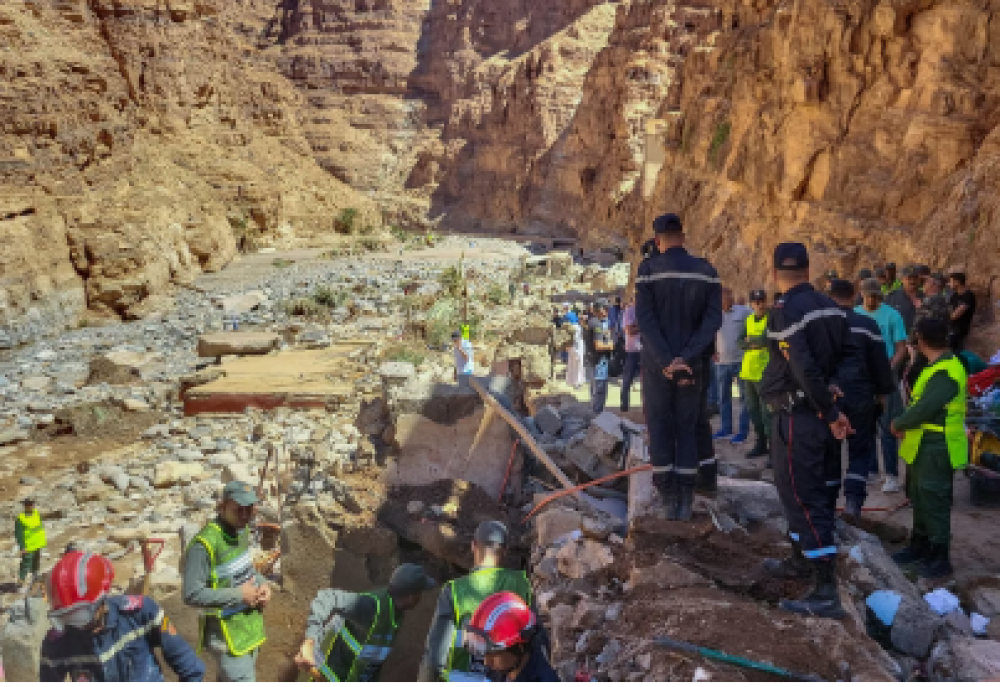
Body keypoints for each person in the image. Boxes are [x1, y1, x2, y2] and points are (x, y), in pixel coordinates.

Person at [759, 242, 851, 619]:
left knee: (802, 495)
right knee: (807, 493)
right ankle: (801, 560)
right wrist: (834, 402)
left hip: (799, 417)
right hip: (818, 415)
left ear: (775, 270)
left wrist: (829, 410)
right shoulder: (831, 306)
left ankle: (826, 590)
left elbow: (802, 365)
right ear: (808, 270)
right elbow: (846, 357)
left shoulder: (785, 311)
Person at [636, 213, 721, 521]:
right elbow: (712, 321)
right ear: (683, 237)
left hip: (658, 366)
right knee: (687, 425)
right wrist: (686, 357)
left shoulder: (647, 271)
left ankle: (667, 496)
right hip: (693, 365)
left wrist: (666, 359)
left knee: (660, 424)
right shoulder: (707, 273)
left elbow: (645, 320)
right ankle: (686, 497)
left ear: (657, 241)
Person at [41, 551, 204, 681]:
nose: (75, 624)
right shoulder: (58, 643)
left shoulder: (140, 613)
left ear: (101, 600)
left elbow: (190, 667)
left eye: (80, 614)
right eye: (64, 616)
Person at [891, 318, 968, 579]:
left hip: (937, 446)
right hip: (924, 444)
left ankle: (939, 556)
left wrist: (899, 422)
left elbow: (926, 408)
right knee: (920, 496)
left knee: (934, 498)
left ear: (920, 340)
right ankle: (920, 545)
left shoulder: (946, 371)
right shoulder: (936, 366)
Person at [418, 521, 539, 682]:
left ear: (473, 546)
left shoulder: (454, 590)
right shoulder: (523, 583)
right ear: (505, 551)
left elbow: (434, 657)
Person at [183, 481, 270, 682]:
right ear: (222, 507)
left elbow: (245, 570)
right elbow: (192, 594)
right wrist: (240, 595)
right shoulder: (203, 545)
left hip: (248, 627)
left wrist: (263, 583)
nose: (244, 515)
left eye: (249, 509)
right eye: (238, 509)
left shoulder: (241, 530)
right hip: (225, 636)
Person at [295, 564, 436, 682]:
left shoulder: (395, 616)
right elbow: (327, 597)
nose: (420, 598)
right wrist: (310, 641)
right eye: (420, 593)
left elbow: (372, 664)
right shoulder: (370, 606)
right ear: (412, 597)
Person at [828, 280, 895, 517]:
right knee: (860, 450)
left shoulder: (823, 324)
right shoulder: (867, 324)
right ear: (855, 296)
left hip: (830, 395)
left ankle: (828, 504)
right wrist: (883, 393)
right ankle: (853, 504)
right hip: (861, 395)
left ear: (829, 296)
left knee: (830, 450)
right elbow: (880, 364)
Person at [856, 278, 908, 493]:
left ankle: (891, 474)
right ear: (862, 294)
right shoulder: (855, 315)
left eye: (877, 296)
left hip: (885, 377)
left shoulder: (892, 315)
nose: (874, 300)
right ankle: (871, 470)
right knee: (866, 425)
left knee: (888, 426)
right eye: (870, 296)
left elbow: (901, 347)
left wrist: (890, 367)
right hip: (862, 377)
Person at [464, 592, 558, 682]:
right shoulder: (500, 669)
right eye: (485, 653)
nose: (486, 662)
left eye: (493, 654)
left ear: (520, 647)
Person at [712, 287, 751, 445]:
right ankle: (725, 429)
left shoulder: (744, 312)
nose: (721, 301)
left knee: (744, 398)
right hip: (722, 363)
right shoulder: (714, 315)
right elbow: (711, 334)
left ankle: (742, 431)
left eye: (724, 297)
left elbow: (756, 325)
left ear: (730, 297)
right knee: (723, 398)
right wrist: (712, 351)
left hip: (741, 361)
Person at [739, 290, 771, 459]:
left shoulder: (771, 319)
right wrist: (752, 342)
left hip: (765, 372)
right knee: (753, 411)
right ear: (751, 304)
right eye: (756, 302)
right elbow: (739, 341)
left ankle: (774, 449)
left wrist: (751, 341)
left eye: (761, 301)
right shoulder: (749, 320)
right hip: (749, 372)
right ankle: (760, 443)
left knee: (768, 413)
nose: (759, 304)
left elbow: (767, 339)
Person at [585, 302, 614, 413]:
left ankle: (594, 413)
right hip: (599, 361)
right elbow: (598, 345)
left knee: (594, 389)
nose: (607, 311)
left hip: (592, 359)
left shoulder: (591, 321)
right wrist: (611, 345)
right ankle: (597, 415)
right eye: (605, 308)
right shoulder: (597, 324)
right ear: (599, 310)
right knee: (600, 390)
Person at [16, 496, 45, 589]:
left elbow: (39, 527)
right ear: (25, 506)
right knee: (26, 562)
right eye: (29, 504)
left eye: (32, 504)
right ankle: (21, 579)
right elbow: (19, 534)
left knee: (36, 560)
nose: (31, 506)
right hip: (28, 545)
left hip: (37, 543)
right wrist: (22, 546)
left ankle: (35, 576)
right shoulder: (21, 519)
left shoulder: (37, 513)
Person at [620, 295, 641, 412]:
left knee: (646, 380)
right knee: (627, 379)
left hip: (644, 350)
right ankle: (624, 404)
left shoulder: (644, 310)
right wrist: (642, 326)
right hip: (632, 350)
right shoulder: (629, 311)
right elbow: (630, 331)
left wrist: (636, 325)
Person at [885, 265, 922, 333]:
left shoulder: (926, 298)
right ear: (902, 279)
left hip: (921, 341)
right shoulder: (891, 297)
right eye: (909, 278)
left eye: (915, 278)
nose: (912, 281)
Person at [948, 272, 976, 352]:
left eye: (950, 281)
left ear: (957, 282)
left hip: (959, 331)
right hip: (951, 329)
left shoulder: (968, 296)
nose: (949, 284)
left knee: (955, 354)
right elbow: (948, 310)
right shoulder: (954, 295)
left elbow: (955, 315)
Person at [565, 323, 587, 389]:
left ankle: (575, 382)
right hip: (576, 349)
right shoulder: (577, 328)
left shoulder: (576, 328)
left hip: (574, 348)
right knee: (577, 366)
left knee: (574, 366)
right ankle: (577, 383)